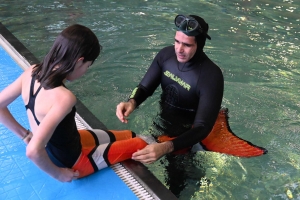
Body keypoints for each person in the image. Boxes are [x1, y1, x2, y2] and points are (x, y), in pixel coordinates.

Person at [0, 24, 147, 182]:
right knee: (141, 143)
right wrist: (59, 174)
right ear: (79, 61)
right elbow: (33, 151)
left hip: (68, 143)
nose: (85, 72)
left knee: (129, 135)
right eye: (88, 66)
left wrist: (25, 134)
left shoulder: (32, 71)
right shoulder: (64, 97)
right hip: (74, 162)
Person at [116, 14, 224, 164]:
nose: (179, 49)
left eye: (187, 45)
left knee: (177, 180)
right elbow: (144, 87)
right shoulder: (165, 56)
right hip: (162, 123)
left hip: (188, 137)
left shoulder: (211, 76)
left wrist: (167, 147)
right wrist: (132, 102)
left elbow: (202, 127)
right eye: (177, 41)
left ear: (199, 45)